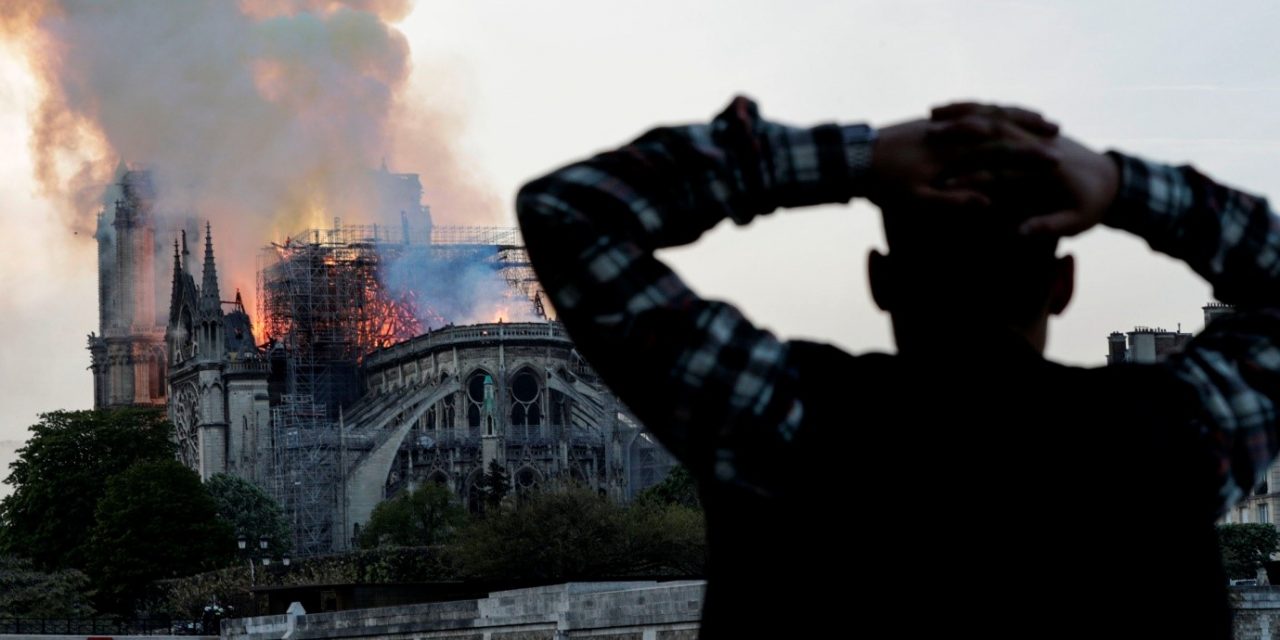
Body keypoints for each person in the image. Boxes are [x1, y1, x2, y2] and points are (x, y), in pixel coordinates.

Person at [515, 97, 1280, 638]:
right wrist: (1118, 185)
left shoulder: (781, 417)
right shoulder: (1176, 437)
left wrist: (854, 159)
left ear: (878, 278)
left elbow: (570, 212)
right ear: (1063, 283)